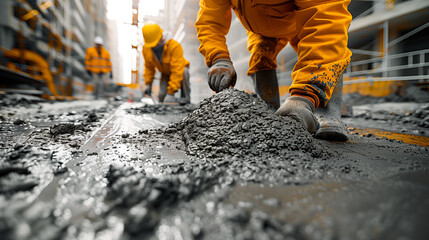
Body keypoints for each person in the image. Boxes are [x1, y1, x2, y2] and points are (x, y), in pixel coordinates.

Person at [195, 0, 352, 141]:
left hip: (303, 19)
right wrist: (218, 58)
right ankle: (269, 111)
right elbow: (210, 21)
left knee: (327, 50)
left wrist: (303, 96)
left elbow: (325, 20)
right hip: (262, 29)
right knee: (260, 59)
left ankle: (327, 115)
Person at [142, 23, 191, 105]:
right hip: (165, 73)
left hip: (180, 70)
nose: (153, 47)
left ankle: (185, 98)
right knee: (162, 97)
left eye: (155, 44)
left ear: (161, 38)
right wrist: (148, 84)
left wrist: (171, 92)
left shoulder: (174, 46)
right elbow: (149, 68)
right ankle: (170, 99)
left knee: (184, 72)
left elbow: (177, 70)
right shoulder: (147, 49)